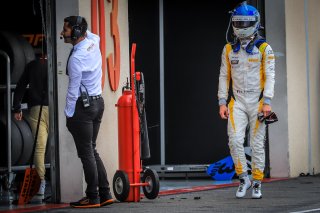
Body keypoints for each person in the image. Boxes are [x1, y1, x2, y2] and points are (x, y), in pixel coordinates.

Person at [217, 2, 275, 199]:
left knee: (257, 143)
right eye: (238, 22)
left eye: (245, 23)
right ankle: (244, 179)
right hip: (237, 101)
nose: (241, 26)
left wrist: (267, 101)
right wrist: (222, 102)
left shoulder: (264, 48)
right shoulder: (228, 49)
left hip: (258, 101)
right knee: (234, 141)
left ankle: (257, 182)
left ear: (255, 23)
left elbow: (270, 75)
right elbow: (223, 76)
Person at [60, 15, 114, 208]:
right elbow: (93, 34)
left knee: (86, 153)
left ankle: (92, 196)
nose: (62, 33)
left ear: (75, 32)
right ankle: (105, 193)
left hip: (83, 108)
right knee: (92, 149)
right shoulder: (93, 41)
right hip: (98, 103)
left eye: (65, 30)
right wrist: (82, 28)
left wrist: (68, 113)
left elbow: (73, 90)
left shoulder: (76, 58)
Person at [12, 54, 49, 201]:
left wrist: (17, 108)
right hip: (56, 108)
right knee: (60, 147)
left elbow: (20, 86)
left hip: (37, 109)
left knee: (39, 148)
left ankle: (41, 183)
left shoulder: (32, 65)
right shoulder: (57, 63)